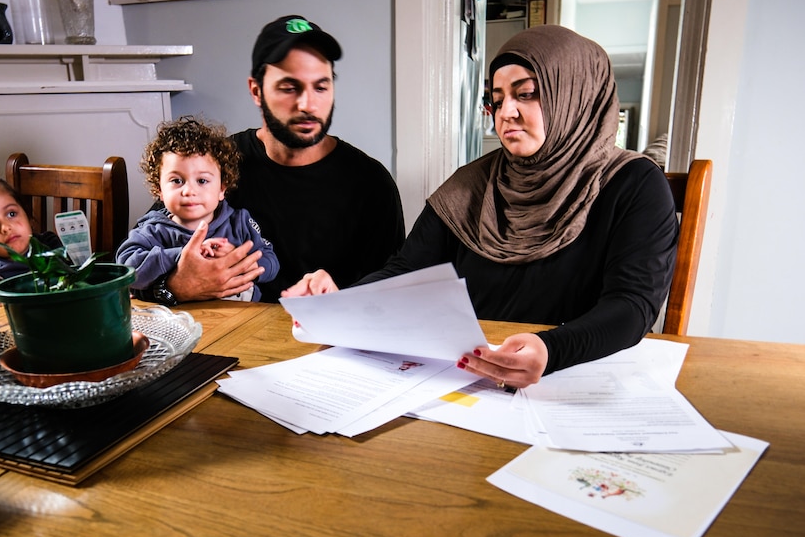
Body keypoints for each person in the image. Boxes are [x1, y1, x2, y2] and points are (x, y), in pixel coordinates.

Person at [283, 25, 679, 389]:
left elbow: (631, 306)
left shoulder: (634, 184)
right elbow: (406, 272)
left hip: (571, 382)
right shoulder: (471, 183)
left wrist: (551, 350)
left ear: (574, 94)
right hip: (458, 380)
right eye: (497, 99)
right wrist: (339, 304)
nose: (505, 113)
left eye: (526, 94)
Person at [137, 15, 405, 305]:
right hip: (224, 334)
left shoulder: (371, 183)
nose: (307, 104)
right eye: (289, 88)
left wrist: (343, 300)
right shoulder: (212, 163)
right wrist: (175, 286)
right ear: (256, 90)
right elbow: (131, 267)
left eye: (321, 87)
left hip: (328, 342)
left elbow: (391, 296)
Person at [117, 116, 279, 302]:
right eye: (176, 181)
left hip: (243, 318)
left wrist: (240, 259)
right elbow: (126, 269)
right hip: (184, 321)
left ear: (221, 189)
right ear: (159, 190)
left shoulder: (240, 222)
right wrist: (181, 256)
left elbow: (270, 260)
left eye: (202, 181)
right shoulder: (153, 230)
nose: (189, 191)